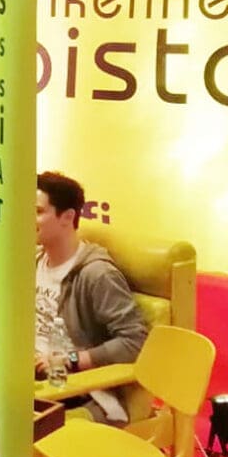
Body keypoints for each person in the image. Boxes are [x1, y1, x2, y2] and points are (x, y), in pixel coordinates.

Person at [33, 170, 148, 423]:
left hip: (77, 388)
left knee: (6, 419)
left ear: (68, 217)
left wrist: (71, 360)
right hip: (31, 377)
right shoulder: (35, 261)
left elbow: (135, 341)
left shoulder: (97, 274)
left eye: (38, 211)